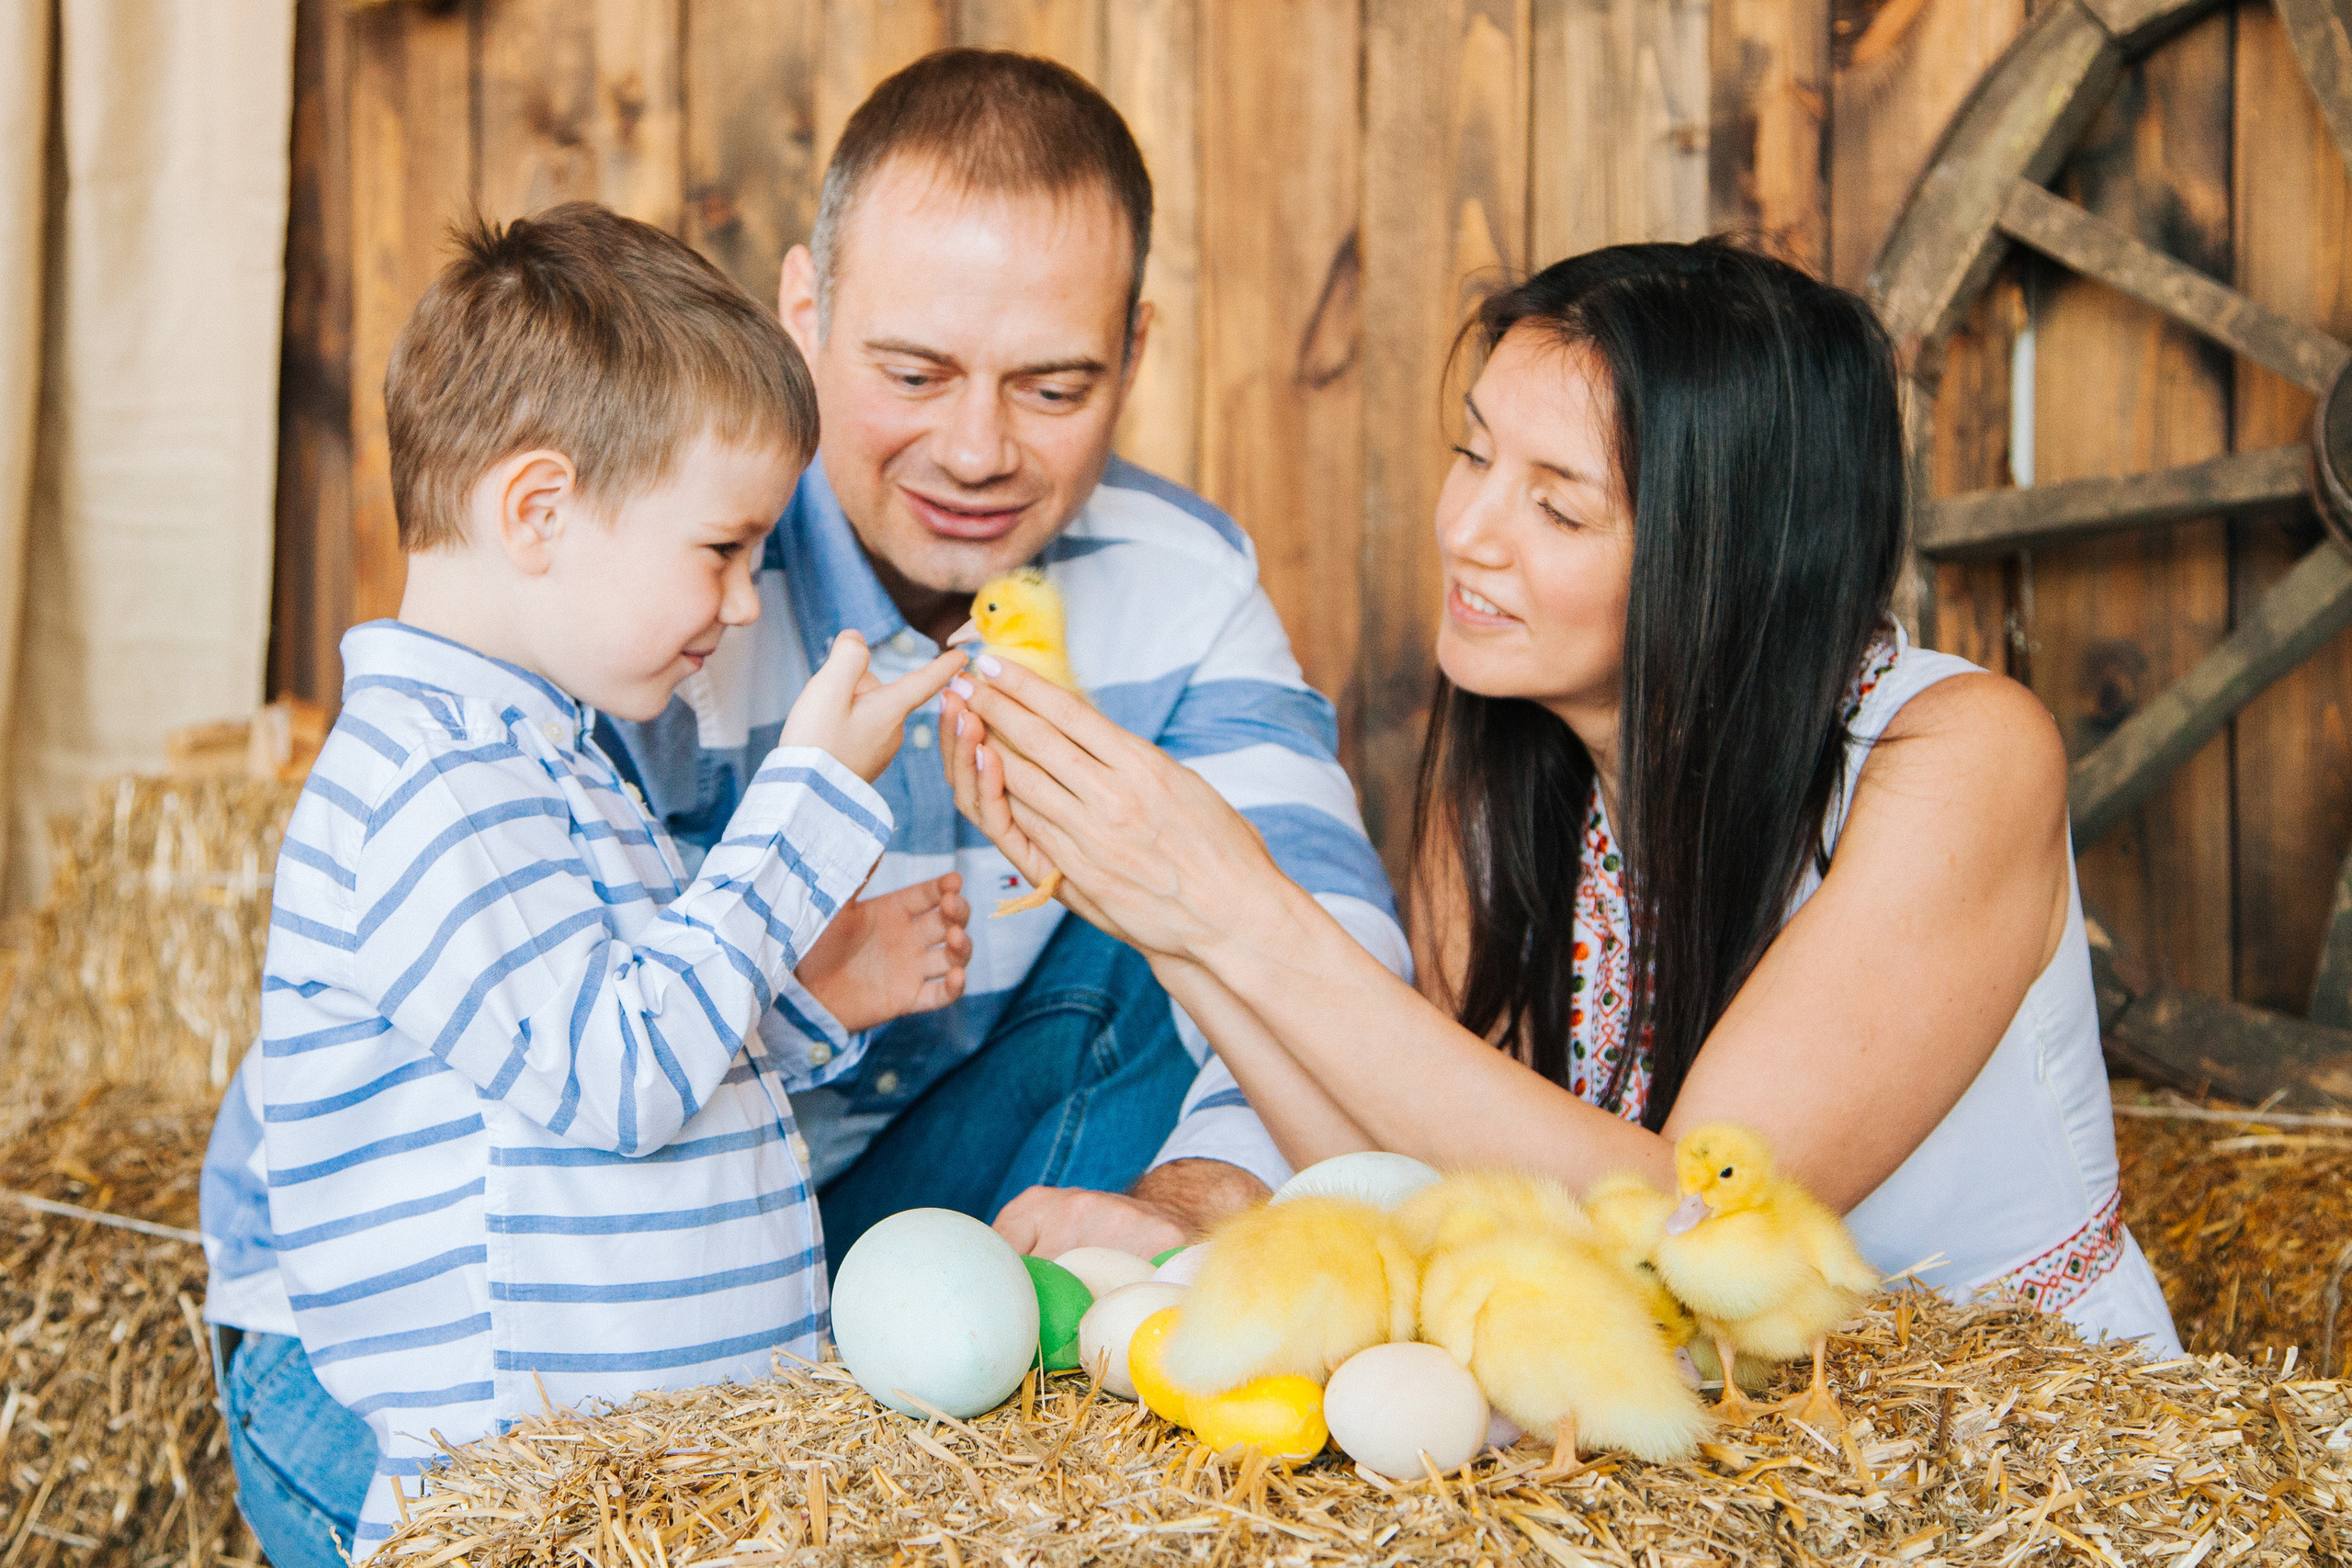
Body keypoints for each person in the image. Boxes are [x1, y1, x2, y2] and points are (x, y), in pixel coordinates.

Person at [944, 241, 2183, 1355]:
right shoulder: (1511, 772)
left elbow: (1691, 1242)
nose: (1469, 531)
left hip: (1998, 1438)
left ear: (1728, 561)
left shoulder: (1960, 756)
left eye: (1557, 506)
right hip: (1713, 1447)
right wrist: (1165, 925)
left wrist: (1237, 909)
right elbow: (1450, 1202)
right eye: (1473, 455)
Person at [198, 203, 969, 1564]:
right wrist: (808, 808)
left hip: (634, 1495)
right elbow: (616, 1078)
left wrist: (806, 989)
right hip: (523, 1515)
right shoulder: (426, 784)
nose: (743, 606)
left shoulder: (544, 759)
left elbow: (605, 1057)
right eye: (720, 549)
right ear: (539, 510)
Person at [601, 49, 1405, 1268]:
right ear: (805, 313)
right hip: (560, 1261)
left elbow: (1325, 953)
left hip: (899, 1203)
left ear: (1135, 350)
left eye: (1052, 387)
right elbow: (546, 1051)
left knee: (1199, 896)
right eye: (915, 374)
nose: (978, 452)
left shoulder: (1183, 582)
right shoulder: (649, 572)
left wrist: (1203, 1197)